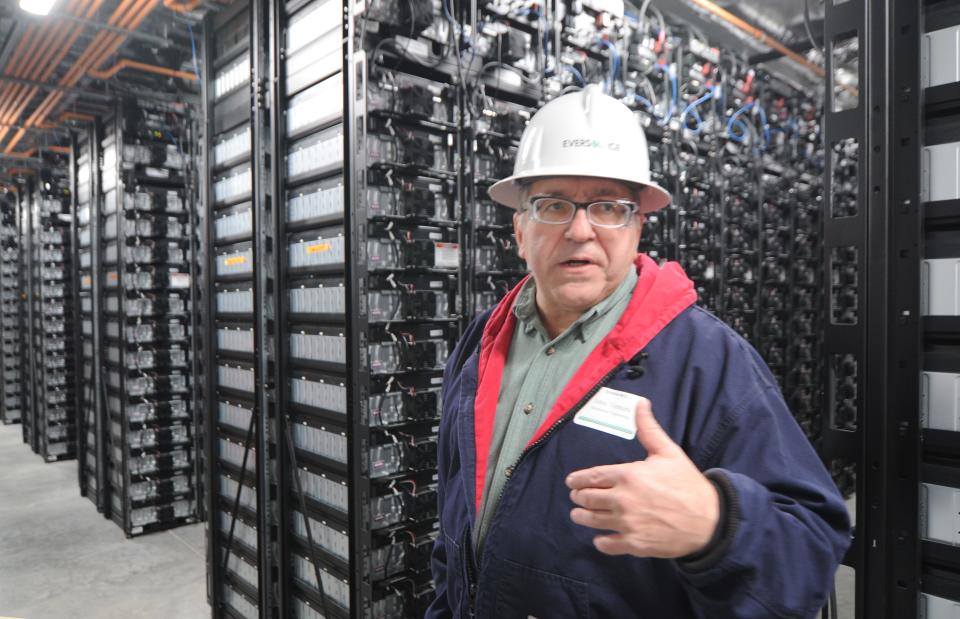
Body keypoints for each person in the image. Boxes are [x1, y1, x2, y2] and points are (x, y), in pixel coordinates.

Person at [426, 84, 851, 618]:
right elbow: (456, 524)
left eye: (607, 208)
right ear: (519, 228)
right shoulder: (482, 340)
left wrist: (717, 527)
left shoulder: (707, 360)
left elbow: (810, 551)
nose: (580, 230)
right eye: (553, 205)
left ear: (637, 226)